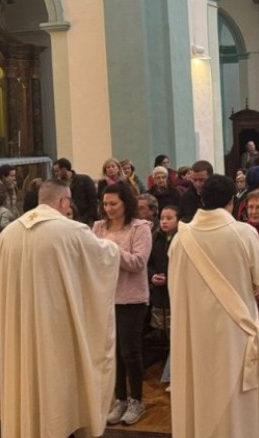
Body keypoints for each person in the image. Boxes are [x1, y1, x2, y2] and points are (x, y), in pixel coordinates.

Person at [0, 179, 121, 438]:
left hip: (20, 327)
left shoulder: (9, 233)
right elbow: (104, 258)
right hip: (56, 328)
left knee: (27, 381)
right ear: (63, 201)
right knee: (58, 381)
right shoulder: (71, 231)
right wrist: (114, 243)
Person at [167, 174, 259, 438]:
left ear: (202, 199)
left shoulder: (180, 239)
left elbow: (175, 287)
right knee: (234, 398)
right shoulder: (243, 233)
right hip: (234, 331)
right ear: (232, 201)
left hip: (193, 331)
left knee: (200, 392)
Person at [93, 182, 152, 426]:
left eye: (113, 203)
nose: (109, 208)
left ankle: (136, 399)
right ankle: (120, 398)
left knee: (130, 351)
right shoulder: (97, 227)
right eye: (105, 204)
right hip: (106, 297)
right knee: (112, 352)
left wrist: (111, 249)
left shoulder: (140, 228)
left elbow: (138, 263)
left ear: (125, 203)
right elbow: (91, 258)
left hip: (132, 298)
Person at [148, 205, 179, 339]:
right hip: (158, 293)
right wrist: (152, 276)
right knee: (159, 330)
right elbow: (148, 263)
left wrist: (169, 278)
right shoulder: (155, 238)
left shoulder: (181, 239)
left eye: (169, 218)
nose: (164, 221)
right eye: (161, 218)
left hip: (174, 291)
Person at [53, 157, 99, 225]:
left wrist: (90, 217)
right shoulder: (58, 185)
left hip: (86, 219)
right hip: (68, 220)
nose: (55, 174)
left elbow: (93, 199)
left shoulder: (84, 180)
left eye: (57, 171)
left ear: (64, 169)